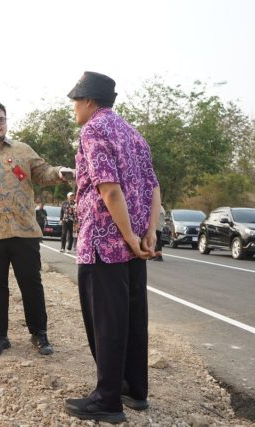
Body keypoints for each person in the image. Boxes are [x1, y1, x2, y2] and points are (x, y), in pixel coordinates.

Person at [64, 71, 161, 424]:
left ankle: (107, 399)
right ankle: (135, 389)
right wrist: (148, 233)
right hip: (135, 245)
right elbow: (153, 188)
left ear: (90, 102)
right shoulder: (134, 135)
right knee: (133, 318)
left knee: (106, 323)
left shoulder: (93, 130)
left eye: (76, 101)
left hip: (103, 244)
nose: (74, 107)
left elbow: (109, 190)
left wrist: (130, 237)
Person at [0, 100, 74, 358]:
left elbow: (43, 172)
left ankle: (39, 335)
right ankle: (0, 337)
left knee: (31, 284)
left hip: (24, 231)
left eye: (1, 119)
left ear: (6, 121)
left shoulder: (22, 150)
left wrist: (61, 172)